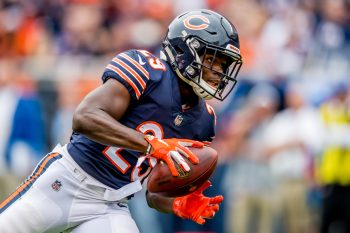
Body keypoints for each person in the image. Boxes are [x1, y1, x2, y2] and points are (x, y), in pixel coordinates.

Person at [0, 9, 243, 233]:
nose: (219, 72)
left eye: (225, 65)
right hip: (65, 182)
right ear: (183, 52)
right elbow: (84, 117)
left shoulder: (203, 121)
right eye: (213, 60)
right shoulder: (147, 70)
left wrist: (177, 203)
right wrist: (150, 145)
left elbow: (152, 192)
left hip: (110, 205)